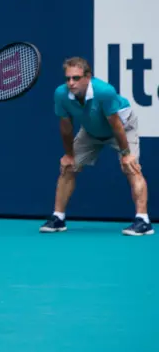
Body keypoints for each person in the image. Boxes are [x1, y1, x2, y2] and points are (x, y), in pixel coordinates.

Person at [39, 57, 153, 236]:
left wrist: (126, 154)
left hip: (122, 127)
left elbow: (115, 125)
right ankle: (58, 218)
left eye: (76, 78)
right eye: (67, 78)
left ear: (88, 77)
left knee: (131, 167)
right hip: (91, 130)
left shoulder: (104, 91)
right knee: (68, 167)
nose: (71, 83)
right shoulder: (61, 94)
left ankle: (143, 220)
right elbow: (66, 127)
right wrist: (69, 154)